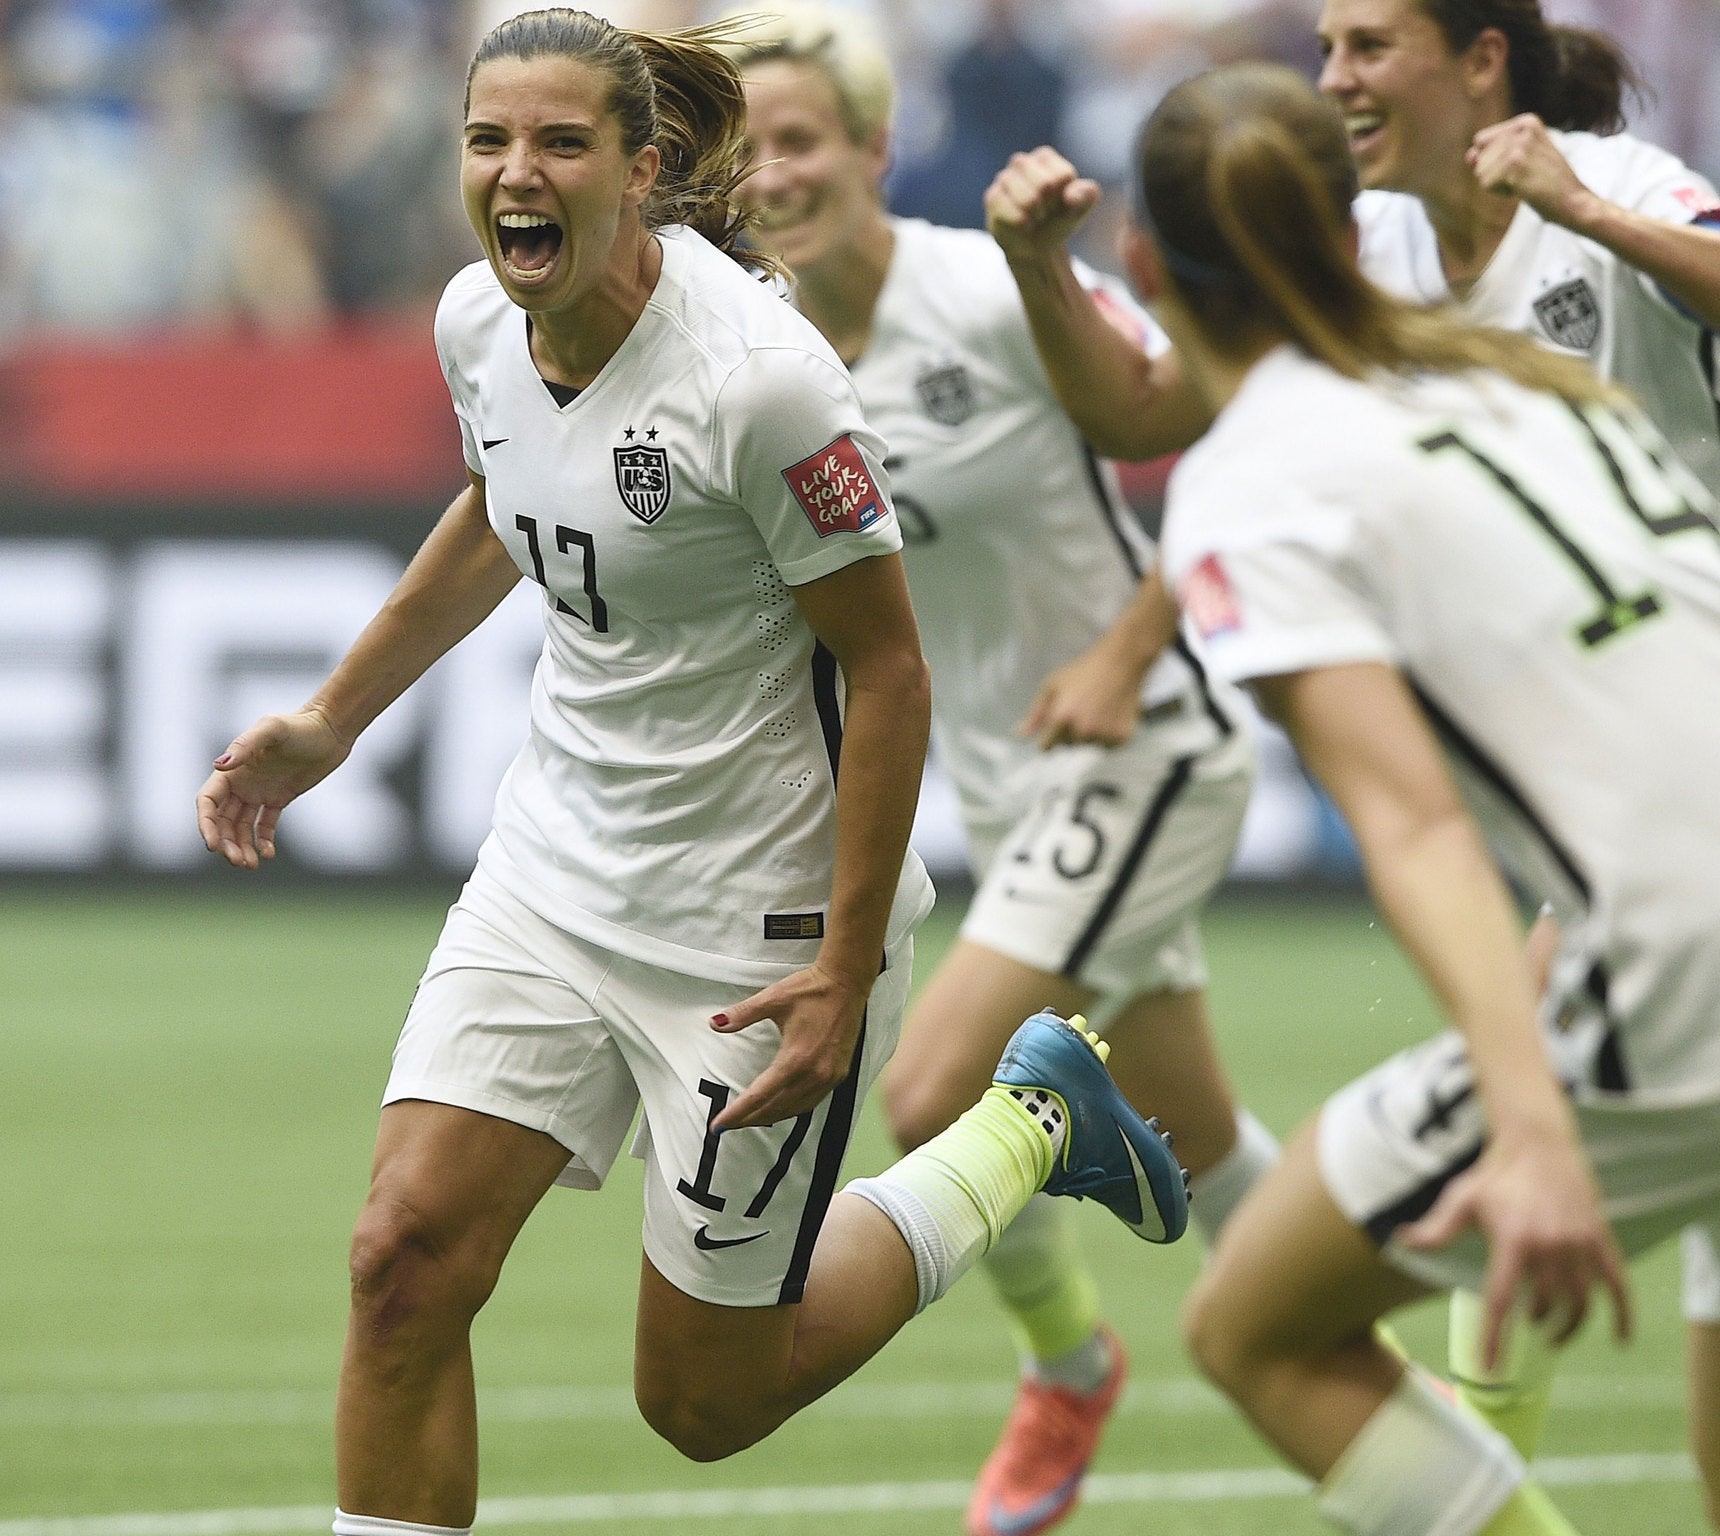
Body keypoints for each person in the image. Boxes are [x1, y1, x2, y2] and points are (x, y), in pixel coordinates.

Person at [983, 0, 1720, 1457]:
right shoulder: (1388, 267)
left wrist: (1585, 211)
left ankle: (1480, 1464)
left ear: (1482, 58)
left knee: (1485, 1136)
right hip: (1652, 766)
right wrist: (1129, 618)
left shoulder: (1609, 183)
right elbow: (1208, 425)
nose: (1339, 75)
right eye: (1328, 50)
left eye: (1371, 46)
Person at [192, 12, 1188, 1535]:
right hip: (554, 874)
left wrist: (849, 968)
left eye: (561, 144)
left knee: (707, 1403)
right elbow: (501, 501)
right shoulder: (477, 320)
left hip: (756, 933)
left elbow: (890, 667)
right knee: (402, 1262)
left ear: (642, 170)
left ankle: (1026, 1128)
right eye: (488, 142)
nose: (516, 174)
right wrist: (336, 718)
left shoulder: (762, 383)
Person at [715, 10, 1274, 1535]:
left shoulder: (985, 287)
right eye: (745, 145)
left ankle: (1068, 1363)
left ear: (876, 150)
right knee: (1210, 1154)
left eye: (805, 138)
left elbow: (1226, 405)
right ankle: (1394, 1359)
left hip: (1144, 745)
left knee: (935, 1084)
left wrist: (1128, 645)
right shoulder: (751, 350)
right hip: (1012, 786)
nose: (775, 172)